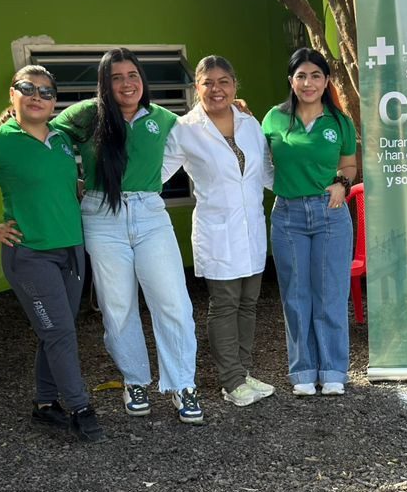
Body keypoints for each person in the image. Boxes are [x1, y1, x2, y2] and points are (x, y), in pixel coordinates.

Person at [0, 67, 105, 442]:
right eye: (27, 88)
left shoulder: (62, 138)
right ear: (12, 94)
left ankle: (46, 405)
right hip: (31, 255)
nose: (37, 96)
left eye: (46, 92)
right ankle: (81, 407)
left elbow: (58, 178)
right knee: (60, 331)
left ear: (54, 102)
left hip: (71, 249)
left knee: (55, 331)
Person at [53, 48, 203, 425]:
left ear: (143, 79)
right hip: (101, 216)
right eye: (116, 77)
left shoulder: (165, 119)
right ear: (105, 83)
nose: (126, 83)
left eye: (132, 75)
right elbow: (43, 133)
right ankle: (135, 380)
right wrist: (5, 122)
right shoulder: (87, 115)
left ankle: (183, 385)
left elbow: (205, 129)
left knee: (173, 302)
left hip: (151, 214)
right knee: (118, 306)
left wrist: (238, 113)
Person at [162, 55, 276, 408]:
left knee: (249, 303)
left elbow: (268, 171)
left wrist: (312, 185)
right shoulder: (185, 129)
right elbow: (155, 174)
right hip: (217, 231)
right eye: (208, 82)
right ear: (197, 87)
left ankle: (241, 372)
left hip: (252, 229)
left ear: (234, 85)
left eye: (224, 81)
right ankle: (229, 380)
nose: (216, 89)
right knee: (225, 304)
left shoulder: (249, 123)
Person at [262, 48, 357, 397]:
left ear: (326, 80)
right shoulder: (273, 118)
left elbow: (349, 167)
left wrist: (341, 184)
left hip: (330, 214)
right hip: (288, 216)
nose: (308, 82)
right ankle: (303, 370)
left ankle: (332, 370)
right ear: (291, 80)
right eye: (301, 76)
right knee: (296, 294)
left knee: (330, 293)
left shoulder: (340, 122)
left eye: (316, 75)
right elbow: (259, 162)